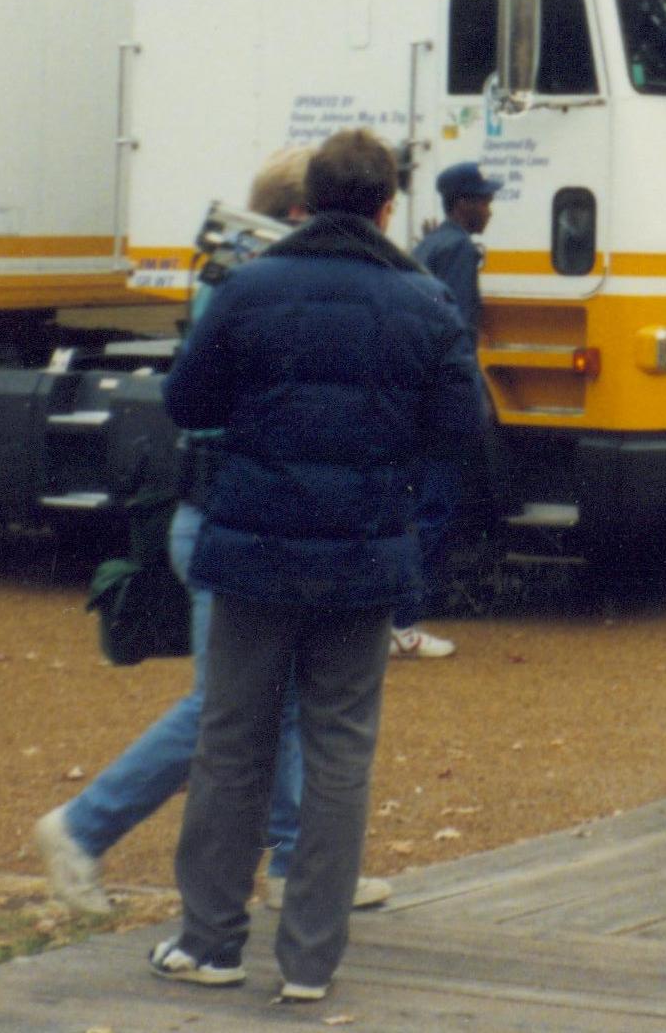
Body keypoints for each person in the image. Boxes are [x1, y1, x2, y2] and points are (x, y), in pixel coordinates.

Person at [152, 128, 481, 1002]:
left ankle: (212, 940)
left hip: (254, 544)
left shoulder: (248, 288)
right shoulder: (422, 303)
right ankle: (308, 962)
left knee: (232, 739)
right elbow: (463, 433)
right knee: (339, 749)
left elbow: (186, 399)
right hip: (364, 555)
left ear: (307, 201)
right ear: (385, 208)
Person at [35, 147, 394, 917]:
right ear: (300, 216)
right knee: (224, 706)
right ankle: (83, 825)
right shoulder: (258, 287)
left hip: (223, 511)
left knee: (272, 701)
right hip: (231, 514)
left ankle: (295, 861)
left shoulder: (238, 281)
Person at [391, 160, 501, 661]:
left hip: (412, 395)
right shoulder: (456, 248)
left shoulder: (432, 245)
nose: (489, 208)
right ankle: (404, 620)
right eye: (483, 200)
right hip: (439, 400)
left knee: (414, 509)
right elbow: (453, 328)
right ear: (463, 204)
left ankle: (393, 616)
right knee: (434, 510)